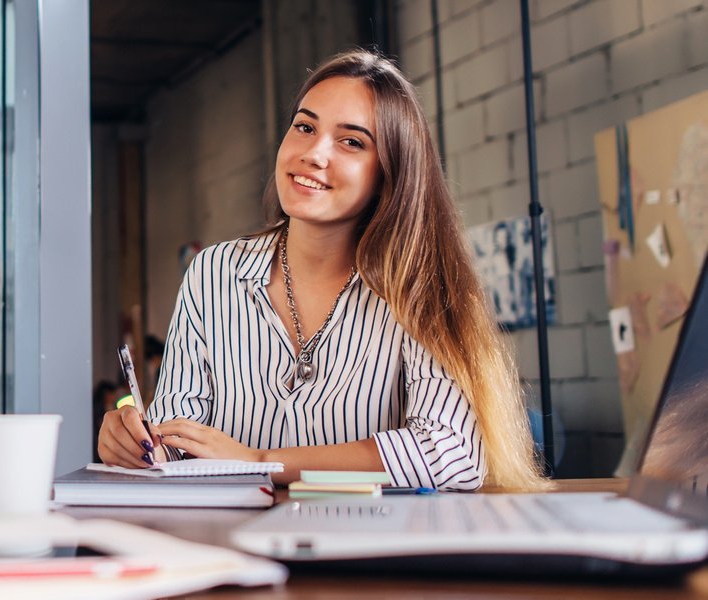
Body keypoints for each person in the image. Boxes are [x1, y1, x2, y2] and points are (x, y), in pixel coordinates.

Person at [98, 49, 545, 491]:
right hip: (234, 544)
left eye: (351, 141)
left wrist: (261, 462)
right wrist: (139, 445)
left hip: (367, 550)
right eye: (305, 127)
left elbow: (451, 453)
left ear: (390, 172)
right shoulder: (212, 273)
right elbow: (181, 439)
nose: (314, 153)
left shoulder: (419, 286)